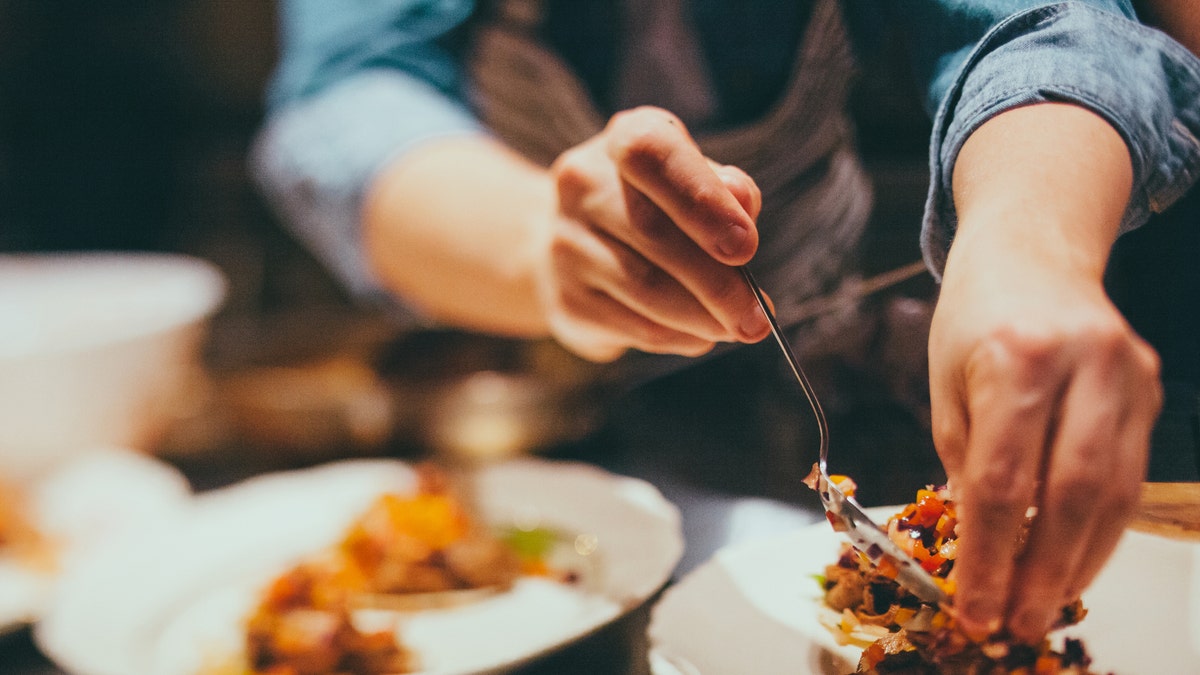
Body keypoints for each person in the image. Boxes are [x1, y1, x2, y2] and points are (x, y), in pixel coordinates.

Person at [251, 0, 1200, 647]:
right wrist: (547, 246)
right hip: (585, 424)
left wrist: (1025, 247)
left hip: (902, 356)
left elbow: (1039, 22)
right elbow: (344, 97)